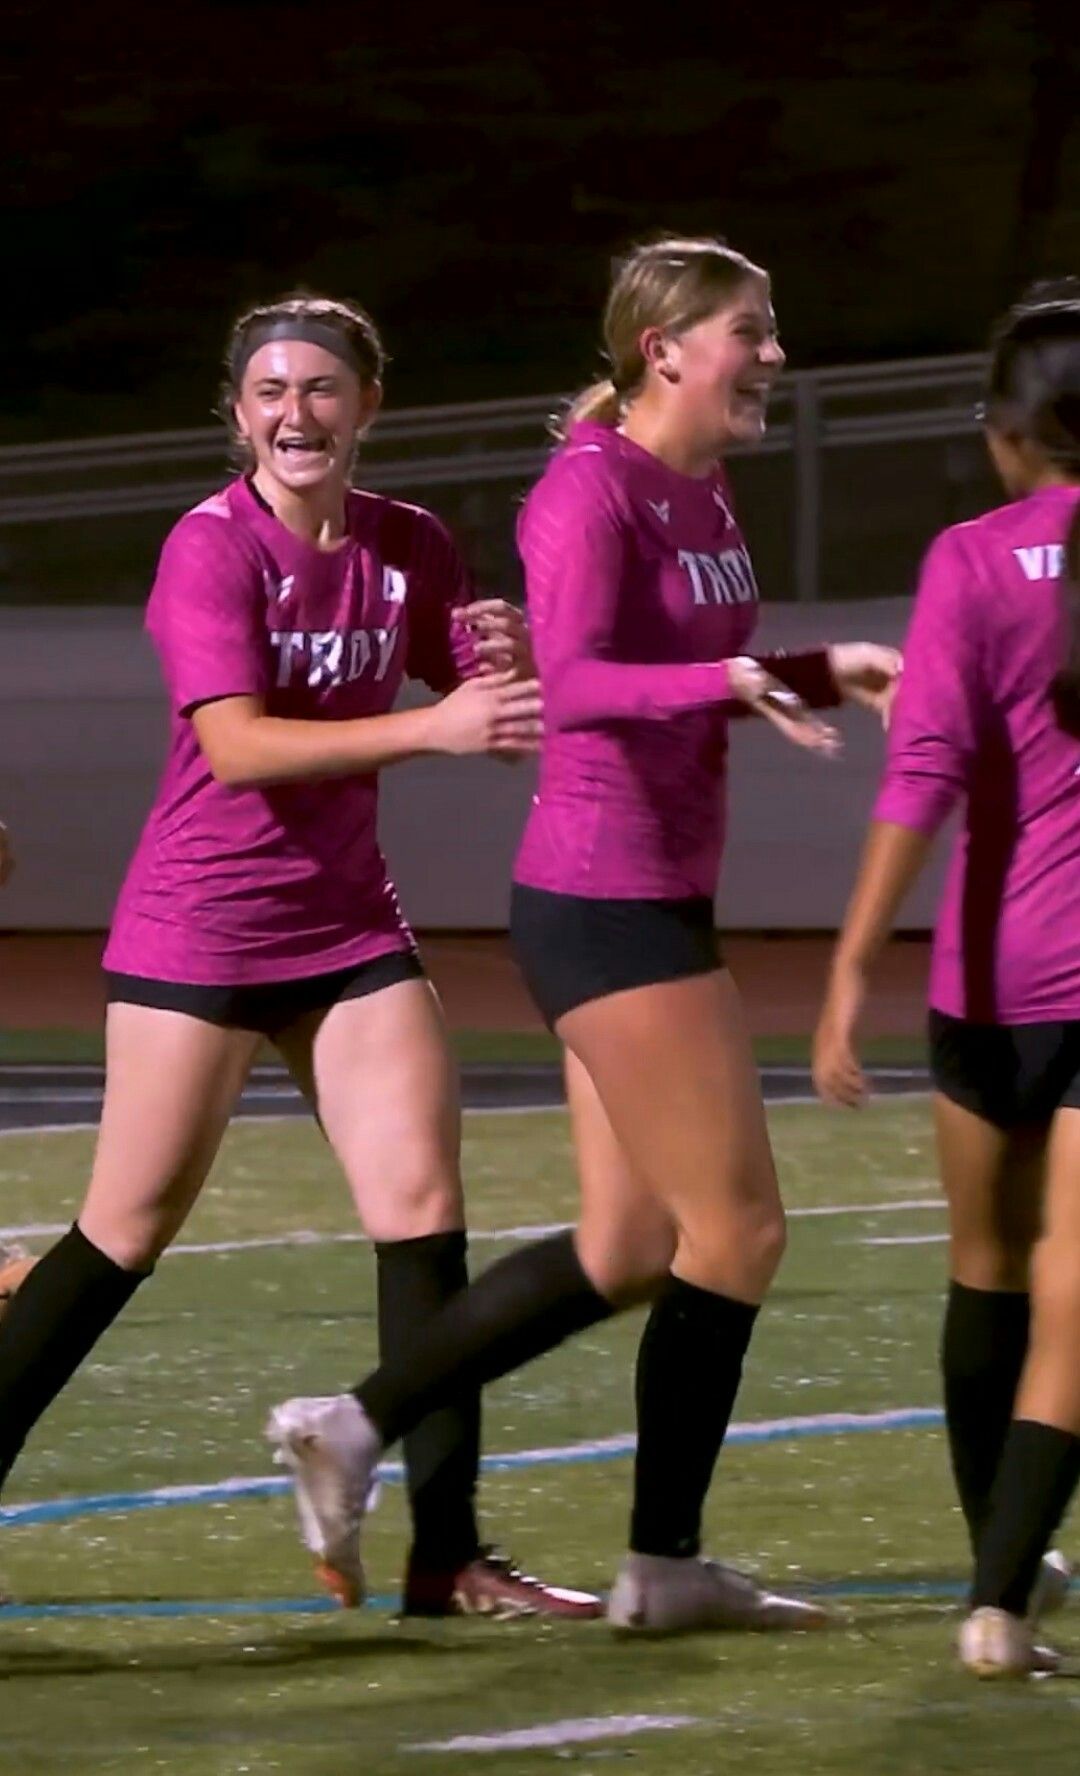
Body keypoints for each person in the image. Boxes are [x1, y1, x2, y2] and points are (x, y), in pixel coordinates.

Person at [269, 236, 901, 1632]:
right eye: (751, 330)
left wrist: (813, 669)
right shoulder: (587, 487)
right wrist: (747, 676)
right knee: (739, 1230)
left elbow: (689, 666)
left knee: (627, 1247)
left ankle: (354, 1425)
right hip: (605, 898)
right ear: (665, 348)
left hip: (651, 892)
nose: (774, 356)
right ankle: (664, 1563)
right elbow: (582, 681)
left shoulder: (701, 487)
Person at [0, 290, 601, 1621]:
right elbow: (237, 746)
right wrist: (433, 731)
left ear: (366, 405)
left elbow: (469, 681)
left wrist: (505, 654)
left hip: (346, 929)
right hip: (200, 929)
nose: (295, 412)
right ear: (237, 413)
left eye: (321, 388)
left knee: (423, 1215)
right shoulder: (209, 547)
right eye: (269, 391)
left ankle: (449, 1558)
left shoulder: (409, 542)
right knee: (121, 1232)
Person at [813, 280, 1080, 1678]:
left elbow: (922, 774)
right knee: (1072, 1309)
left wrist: (851, 968)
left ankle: (1001, 1561)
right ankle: (999, 1606)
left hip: (984, 979)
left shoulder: (967, 561)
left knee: (985, 1278)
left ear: (1003, 433)